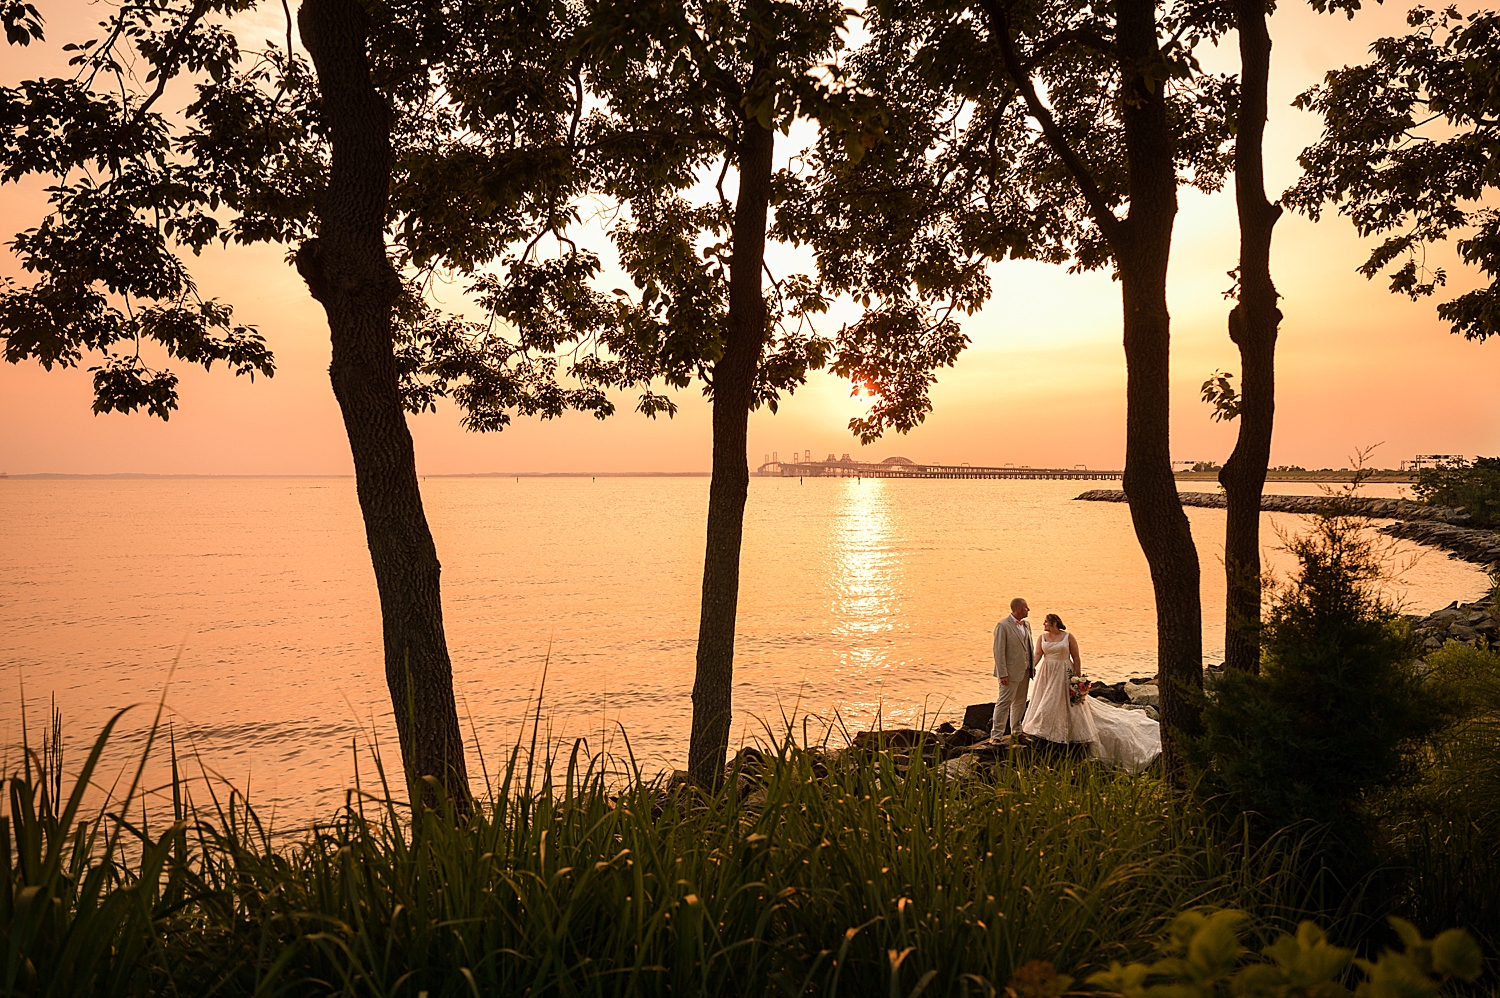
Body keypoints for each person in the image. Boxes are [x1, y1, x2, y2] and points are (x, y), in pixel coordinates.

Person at [1021, 613, 1161, 773]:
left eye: (1046, 621)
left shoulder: (1068, 637)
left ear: (1054, 623)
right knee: (1047, 699)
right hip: (1047, 672)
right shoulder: (1042, 638)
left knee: (1065, 701)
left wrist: (1077, 679)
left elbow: (1076, 656)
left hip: (1064, 671)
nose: (1043, 624)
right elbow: (1038, 654)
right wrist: (1032, 666)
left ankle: (1064, 730)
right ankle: (1046, 727)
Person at [990, 597, 1034, 741]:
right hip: (1009, 673)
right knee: (1004, 703)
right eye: (1026, 607)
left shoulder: (1026, 625)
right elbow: (999, 651)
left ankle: (1016, 731)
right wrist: (1003, 673)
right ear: (1019, 608)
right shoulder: (1003, 625)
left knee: (1020, 703)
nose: (1029, 610)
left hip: (1025, 671)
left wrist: (1031, 666)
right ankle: (996, 736)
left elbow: (1029, 647)